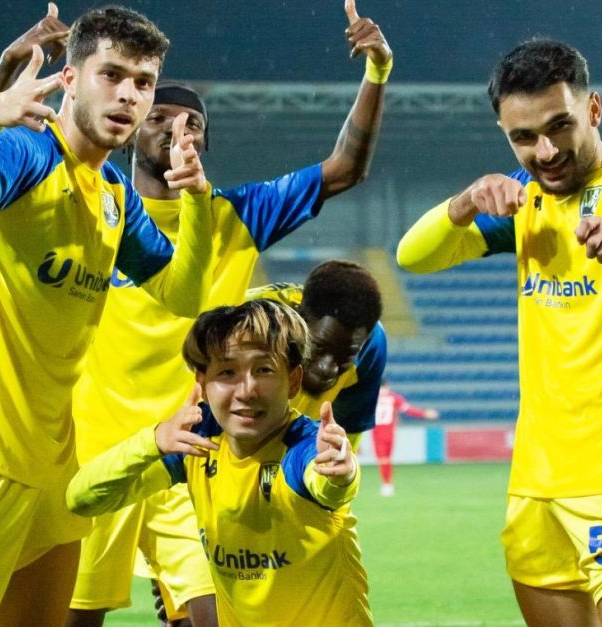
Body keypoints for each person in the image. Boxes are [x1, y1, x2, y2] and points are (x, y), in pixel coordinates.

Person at [56, 1, 391, 624]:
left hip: (196, 453)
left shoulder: (237, 214)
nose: (176, 131)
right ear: (133, 123)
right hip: (103, 451)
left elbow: (344, 169)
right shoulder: (94, 209)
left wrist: (376, 71)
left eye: (193, 124)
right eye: (161, 117)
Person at [0, 5, 216, 626]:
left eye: (143, 82)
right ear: (70, 79)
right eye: (112, 74)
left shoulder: (115, 195)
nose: (129, 95)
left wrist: (198, 202)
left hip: (55, 474)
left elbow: (182, 295)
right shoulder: (26, 153)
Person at [397, 39, 602, 626]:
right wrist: (464, 203)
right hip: (534, 488)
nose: (546, 151)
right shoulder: (526, 202)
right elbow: (413, 256)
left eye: (560, 126)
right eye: (524, 137)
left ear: (594, 109)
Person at [66, 299, 371, 626]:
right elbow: (82, 499)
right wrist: (152, 440)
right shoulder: (197, 442)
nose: (247, 390)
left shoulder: (302, 445)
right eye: (227, 372)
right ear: (201, 383)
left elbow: (327, 485)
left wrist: (340, 473)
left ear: (293, 381)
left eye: (264, 370)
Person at [247, 259, 387, 445]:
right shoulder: (247, 319)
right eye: (318, 347)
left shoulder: (371, 347)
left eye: (345, 356)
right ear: (299, 317)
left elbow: (345, 435)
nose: (326, 369)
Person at [373, 381, 438, 497]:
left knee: (383, 459)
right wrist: (424, 414)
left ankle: (386, 485)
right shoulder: (394, 398)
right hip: (388, 433)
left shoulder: (372, 397)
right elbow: (408, 410)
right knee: (386, 459)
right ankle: (387, 484)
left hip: (378, 433)